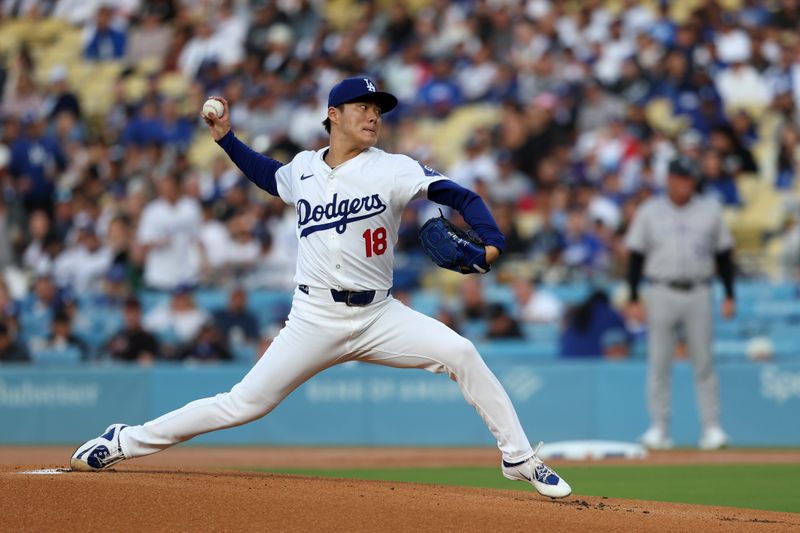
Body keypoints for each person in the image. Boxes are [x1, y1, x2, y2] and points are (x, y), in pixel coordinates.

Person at [70, 77, 571, 498]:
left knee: (461, 352)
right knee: (243, 404)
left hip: (379, 315)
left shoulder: (392, 167)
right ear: (334, 114)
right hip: (313, 318)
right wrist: (226, 139)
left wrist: (492, 244)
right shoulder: (306, 167)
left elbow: (459, 194)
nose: (373, 116)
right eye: (363, 107)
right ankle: (124, 440)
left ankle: (519, 458)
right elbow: (271, 176)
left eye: (378, 109)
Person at [625, 157, 736, 451]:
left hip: (699, 289)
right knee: (659, 362)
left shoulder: (709, 209)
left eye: (690, 178)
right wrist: (634, 296)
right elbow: (635, 256)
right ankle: (659, 428)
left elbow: (724, 256)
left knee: (704, 362)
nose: (686, 183)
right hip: (661, 289)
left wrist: (729, 294)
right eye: (681, 177)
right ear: (670, 179)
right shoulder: (650, 211)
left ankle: (712, 428)